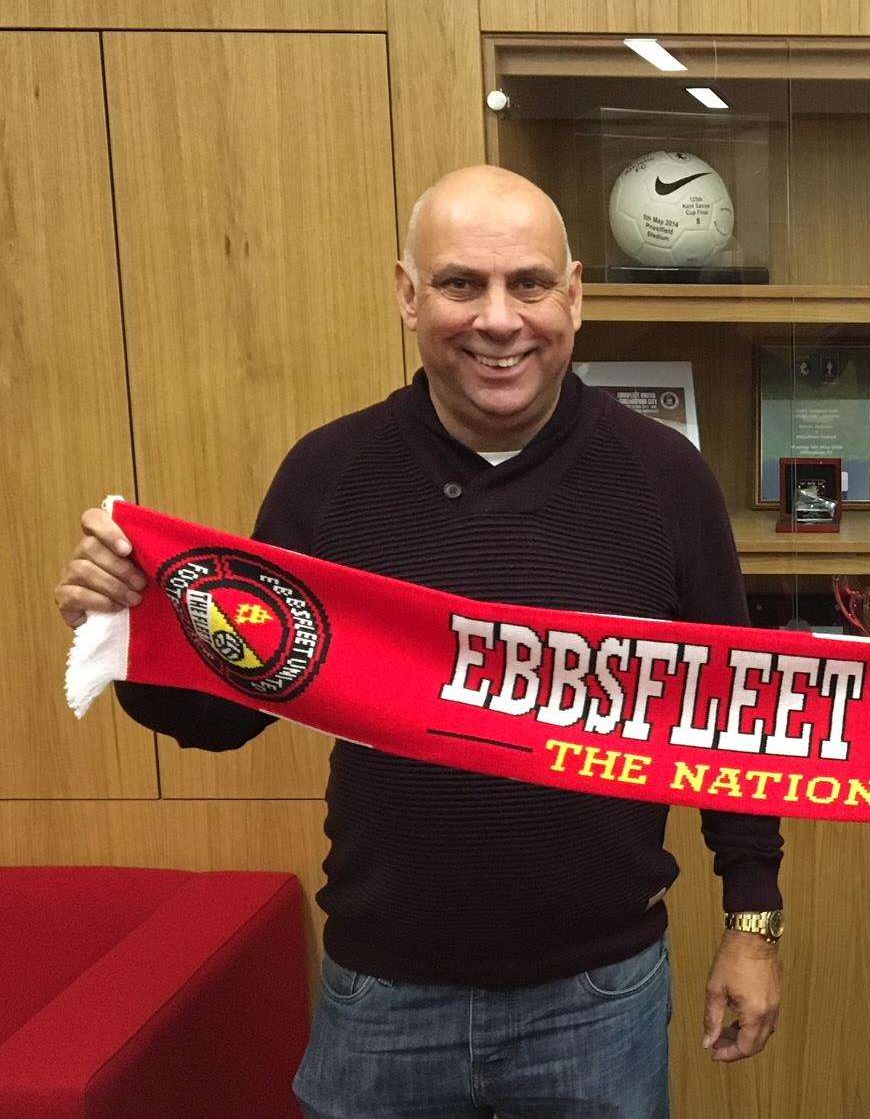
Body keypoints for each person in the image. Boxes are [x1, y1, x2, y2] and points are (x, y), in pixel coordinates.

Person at [53, 165, 785, 1118]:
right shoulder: (329, 475)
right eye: (459, 284)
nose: (497, 319)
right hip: (382, 995)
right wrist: (129, 623)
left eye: (527, 283)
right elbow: (227, 713)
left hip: (598, 997)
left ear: (573, 297)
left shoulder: (664, 480)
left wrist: (752, 922)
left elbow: (728, 720)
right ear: (407, 295)